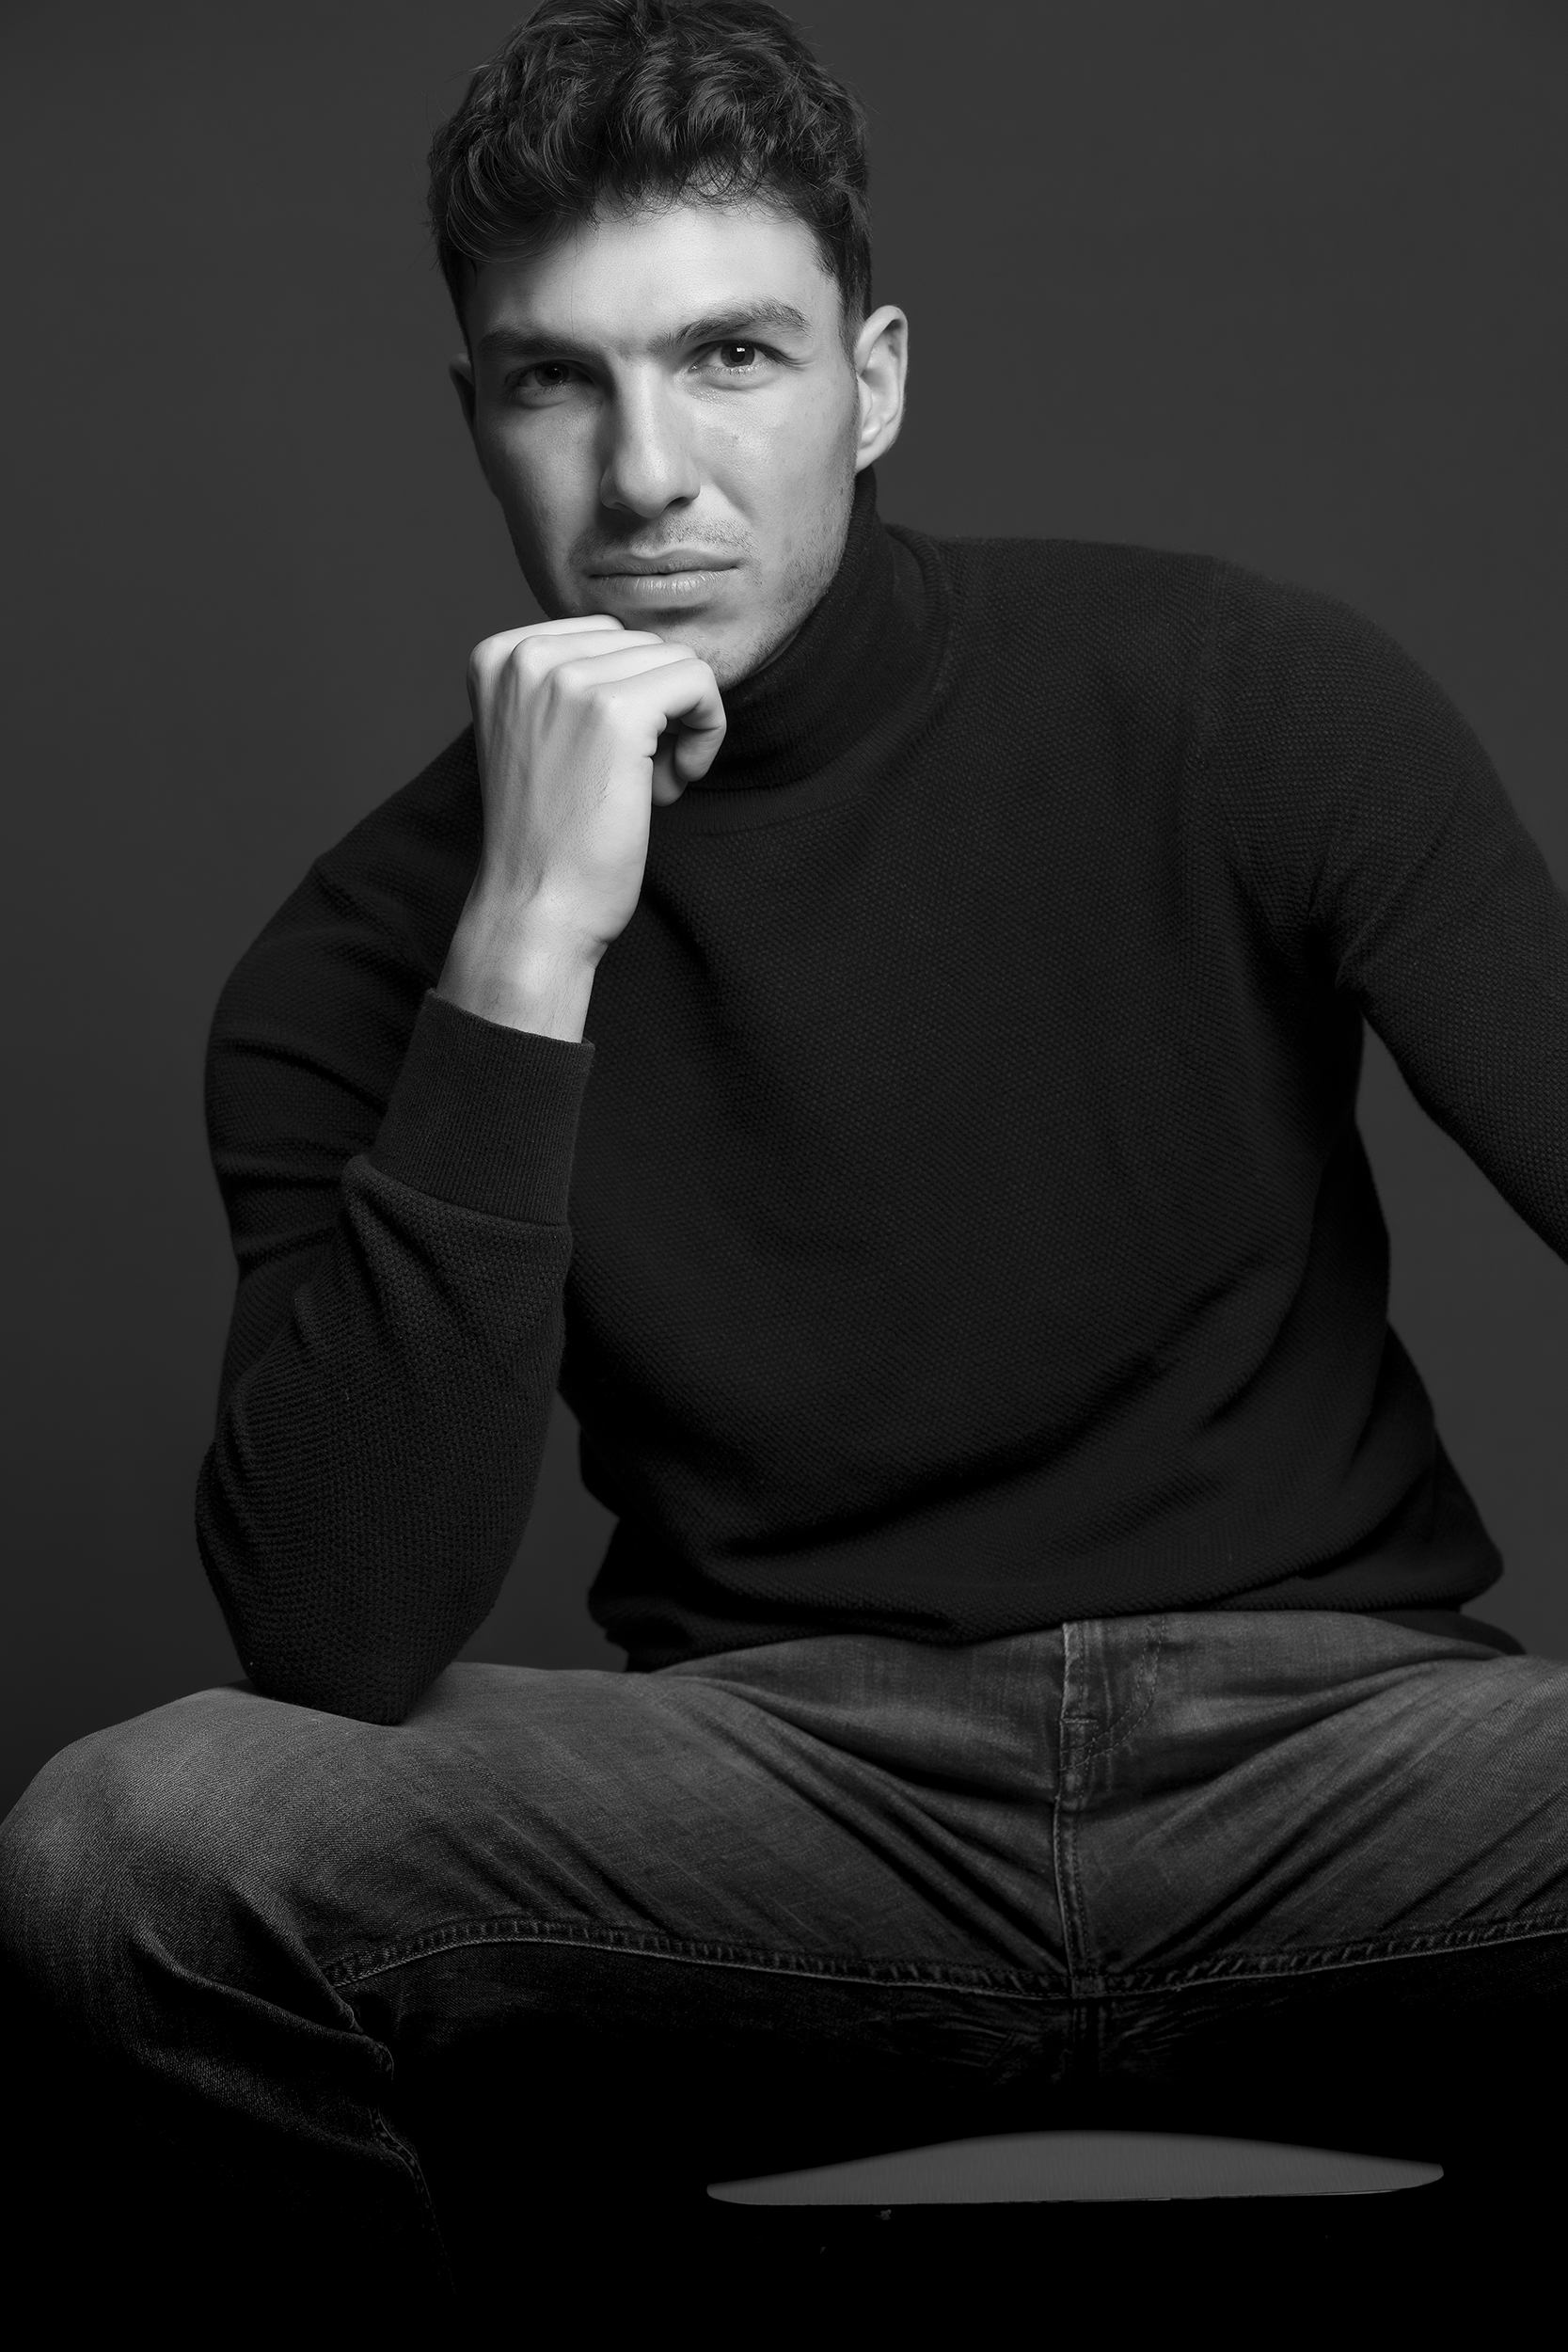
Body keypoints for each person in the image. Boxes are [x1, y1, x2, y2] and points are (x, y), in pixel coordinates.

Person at [2, 0, 1564, 2319]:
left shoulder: (1241, 696)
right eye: (557, 380)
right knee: (124, 1845)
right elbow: (335, 1631)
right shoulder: (363, 955)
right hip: (772, 1795)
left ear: (875, 381)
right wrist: (528, 938)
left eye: (730, 356)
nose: (648, 472)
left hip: (1350, 1753)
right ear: (475, 418)